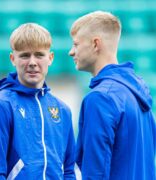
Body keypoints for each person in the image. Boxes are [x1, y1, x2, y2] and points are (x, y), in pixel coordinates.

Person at [0, 23, 76, 180]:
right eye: (24, 55)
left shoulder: (62, 110)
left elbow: (69, 170)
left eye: (39, 55)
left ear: (50, 58)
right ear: (13, 59)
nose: (32, 62)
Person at [69, 11, 156, 179]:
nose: (71, 52)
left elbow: (96, 172)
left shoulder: (101, 98)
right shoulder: (139, 92)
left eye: (76, 44)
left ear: (95, 44)